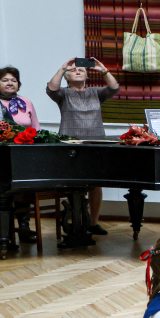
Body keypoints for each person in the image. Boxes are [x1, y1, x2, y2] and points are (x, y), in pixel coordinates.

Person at [46, 58, 120, 235]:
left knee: (96, 185)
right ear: (67, 77)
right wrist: (63, 68)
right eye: (73, 70)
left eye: (81, 70)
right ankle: (77, 222)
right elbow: (51, 89)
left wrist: (103, 69)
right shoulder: (63, 94)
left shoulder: (96, 92)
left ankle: (93, 223)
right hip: (71, 146)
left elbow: (114, 88)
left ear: (87, 76)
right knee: (74, 185)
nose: (77, 71)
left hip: (95, 145)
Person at [0, 66, 40, 243]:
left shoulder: (26, 102)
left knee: (22, 188)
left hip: (23, 155)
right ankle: (1, 232)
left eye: (14, 80)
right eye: (5, 80)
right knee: (1, 191)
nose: (10, 83)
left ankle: (24, 227)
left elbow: (36, 128)